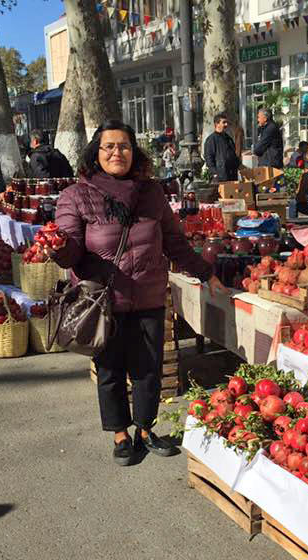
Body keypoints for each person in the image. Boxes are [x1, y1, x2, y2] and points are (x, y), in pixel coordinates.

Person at [51, 120, 226, 465]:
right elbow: (71, 251)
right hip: (102, 302)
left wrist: (206, 273)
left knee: (149, 369)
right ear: (96, 153)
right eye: (109, 146)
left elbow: (174, 243)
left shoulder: (152, 193)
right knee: (110, 370)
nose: (118, 152)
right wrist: (57, 247)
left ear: (135, 152)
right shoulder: (76, 196)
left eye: (125, 146)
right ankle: (120, 434)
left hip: (147, 295)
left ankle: (145, 428)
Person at [203, 113, 240, 182]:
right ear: (217, 124)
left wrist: (238, 165)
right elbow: (208, 157)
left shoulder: (228, 138)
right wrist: (215, 173)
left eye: (226, 122)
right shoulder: (211, 140)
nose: (226, 125)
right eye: (224, 122)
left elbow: (233, 154)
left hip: (232, 175)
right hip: (220, 176)